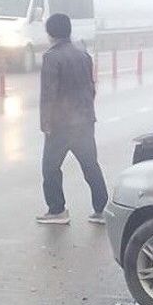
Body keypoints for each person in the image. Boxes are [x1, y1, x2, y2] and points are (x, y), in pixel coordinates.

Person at [36, 13, 109, 225]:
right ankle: (102, 209)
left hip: (61, 123)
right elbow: (91, 88)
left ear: (50, 33)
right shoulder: (83, 55)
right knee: (90, 165)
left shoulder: (51, 57)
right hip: (84, 120)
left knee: (50, 168)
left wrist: (45, 123)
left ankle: (57, 210)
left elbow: (48, 94)